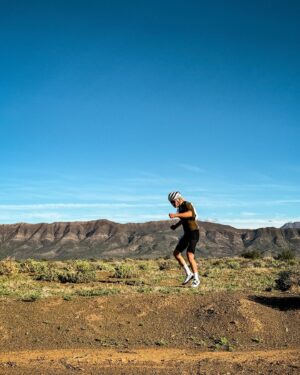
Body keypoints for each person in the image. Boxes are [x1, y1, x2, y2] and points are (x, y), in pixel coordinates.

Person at [168, 191, 200, 288]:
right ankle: (189, 273)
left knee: (190, 255)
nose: (172, 204)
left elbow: (190, 214)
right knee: (176, 253)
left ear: (178, 199)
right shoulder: (180, 208)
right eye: (171, 203)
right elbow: (183, 219)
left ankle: (196, 279)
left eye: (173, 202)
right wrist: (176, 226)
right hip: (187, 234)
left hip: (194, 232)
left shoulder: (187, 204)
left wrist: (176, 215)